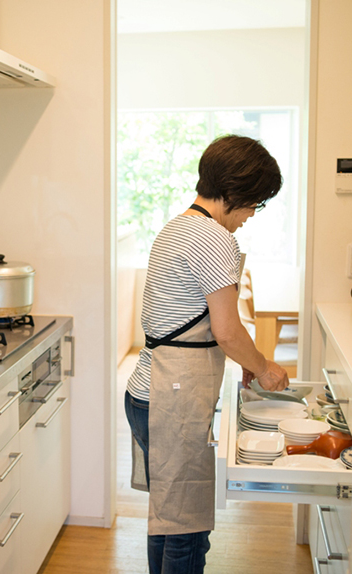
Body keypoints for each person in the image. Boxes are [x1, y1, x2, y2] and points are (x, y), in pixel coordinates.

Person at [124, 134, 290, 574]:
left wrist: (250, 365)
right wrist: (265, 368)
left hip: (149, 388)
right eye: (255, 202)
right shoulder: (214, 239)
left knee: (169, 517)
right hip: (172, 395)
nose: (252, 215)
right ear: (234, 193)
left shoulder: (176, 226)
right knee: (187, 527)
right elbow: (229, 331)